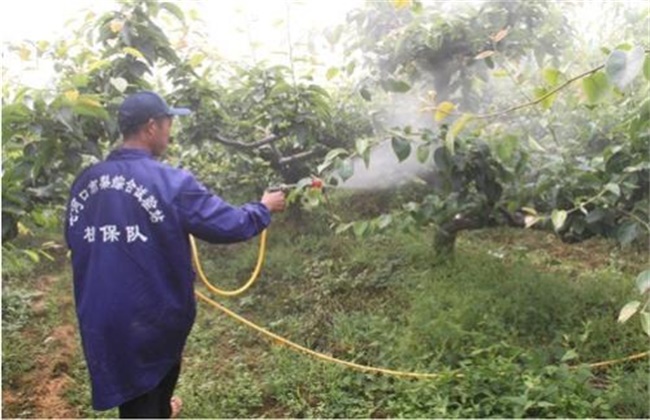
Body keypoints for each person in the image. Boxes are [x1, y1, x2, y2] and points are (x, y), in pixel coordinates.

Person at [64, 91, 286, 418]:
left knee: (139, 390)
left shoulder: (86, 181)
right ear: (152, 126)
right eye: (169, 123)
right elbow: (229, 225)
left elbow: (75, 239)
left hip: (100, 314)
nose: (171, 131)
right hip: (150, 316)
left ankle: (158, 409)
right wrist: (263, 208)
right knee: (146, 389)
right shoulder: (171, 182)